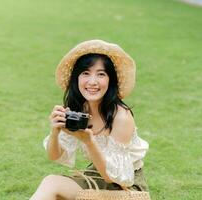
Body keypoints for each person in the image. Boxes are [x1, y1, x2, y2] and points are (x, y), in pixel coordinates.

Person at [30, 40, 149, 200]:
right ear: (76, 79)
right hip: (96, 177)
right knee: (52, 187)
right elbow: (54, 156)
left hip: (125, 188)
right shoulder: (78, 110)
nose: (92, 81)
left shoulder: (121, 116)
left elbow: (112, 177)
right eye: (86, 73)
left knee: (52, 184)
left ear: (110, 80)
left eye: (101, 74)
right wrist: (54, 132)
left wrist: (89, 142)